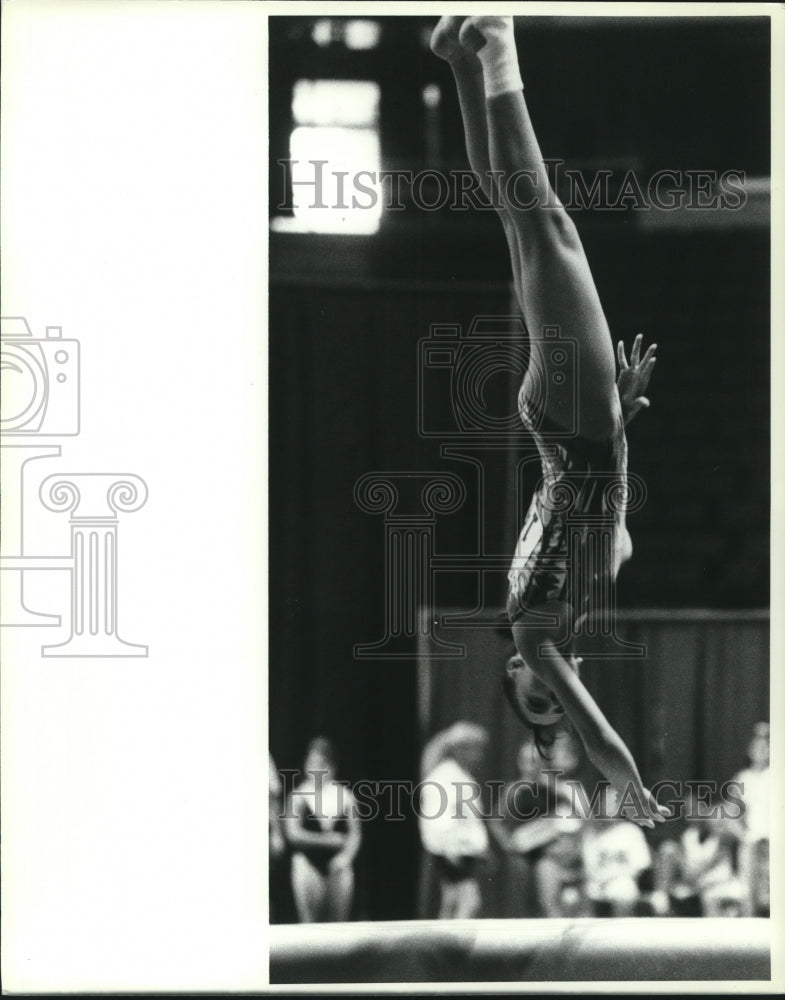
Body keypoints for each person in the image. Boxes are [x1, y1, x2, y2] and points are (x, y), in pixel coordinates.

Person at [431, 16, 668, 830]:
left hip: (569, 428)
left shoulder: (537, 635)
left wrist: (631, 788)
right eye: (550, 696)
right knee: (516, 218)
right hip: (570, 425)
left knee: (543, 221)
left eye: (537, 692)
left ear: (520, 670)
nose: (551, 687)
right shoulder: (564, 615)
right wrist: (622, 409)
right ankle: (460, 61)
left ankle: (494, 47)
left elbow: (596, 733)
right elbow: (611, 514)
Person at [419, 722, 495, 919]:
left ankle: (442, 947)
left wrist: (479, 848)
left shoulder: (460, 775)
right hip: (453, 849)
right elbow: (438, 816)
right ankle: (452, 948)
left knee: (452, 901)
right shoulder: (445, 776)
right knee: (470, 902)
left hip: (460, 849)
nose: (480, 756)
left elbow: (469, 818)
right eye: (476, 749)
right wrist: (451, 847)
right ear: (462, 749)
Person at [282, 737, 361, 923]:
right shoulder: (298, 796)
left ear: (331, 766)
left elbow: (355, 834)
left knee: (338, 924)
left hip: (338, 867)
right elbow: (293, 834)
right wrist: (329, 840)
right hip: (308, 866)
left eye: (321, 764)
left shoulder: (346, 796)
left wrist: (346, 857)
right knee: (309, 925)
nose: (315, 769)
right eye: (311, 763)